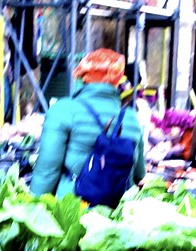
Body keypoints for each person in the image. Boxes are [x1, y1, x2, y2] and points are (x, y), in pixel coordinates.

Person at [30, 49, 146, 198]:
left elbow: (47, 172)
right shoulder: (131, 118)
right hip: (118, 213)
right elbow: (139, 173)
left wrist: (31, 206)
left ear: (81, 77)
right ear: (117, 80)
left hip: (72, 209)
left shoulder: (63, 109)